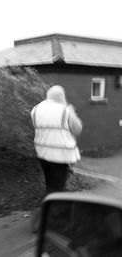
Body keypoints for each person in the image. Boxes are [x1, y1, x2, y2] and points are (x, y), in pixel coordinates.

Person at [30, 85, 82, 232]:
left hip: (43, 155)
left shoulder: (36, 110)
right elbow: (77, 129)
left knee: (51, 187)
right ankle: (41, 223)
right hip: (59, 157)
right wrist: (72, 111)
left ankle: (52, 218)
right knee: (57, 189)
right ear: (61, 96)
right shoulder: (65, 110)